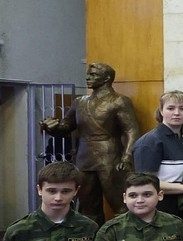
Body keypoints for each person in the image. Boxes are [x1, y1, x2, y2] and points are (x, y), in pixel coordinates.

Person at [38, 62, 141, 223]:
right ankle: (91, 236)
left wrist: (127, 157)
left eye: (93, 75)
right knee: (88, 206)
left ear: (107, 78)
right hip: (84, 156)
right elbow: (65, 128)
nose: (87, 77)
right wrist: (52, 127)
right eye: (88, 74)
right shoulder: (80, 101)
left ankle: (123, 236)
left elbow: (131, 130)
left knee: (120, 204)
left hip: (110, 155)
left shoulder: (119, 101)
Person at [132, 90, 183, 217]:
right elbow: (145, 183)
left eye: (182, 109)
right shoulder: (150, 141)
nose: (177, 113)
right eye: (171, 108)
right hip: (163, 210)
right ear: (161, 111)